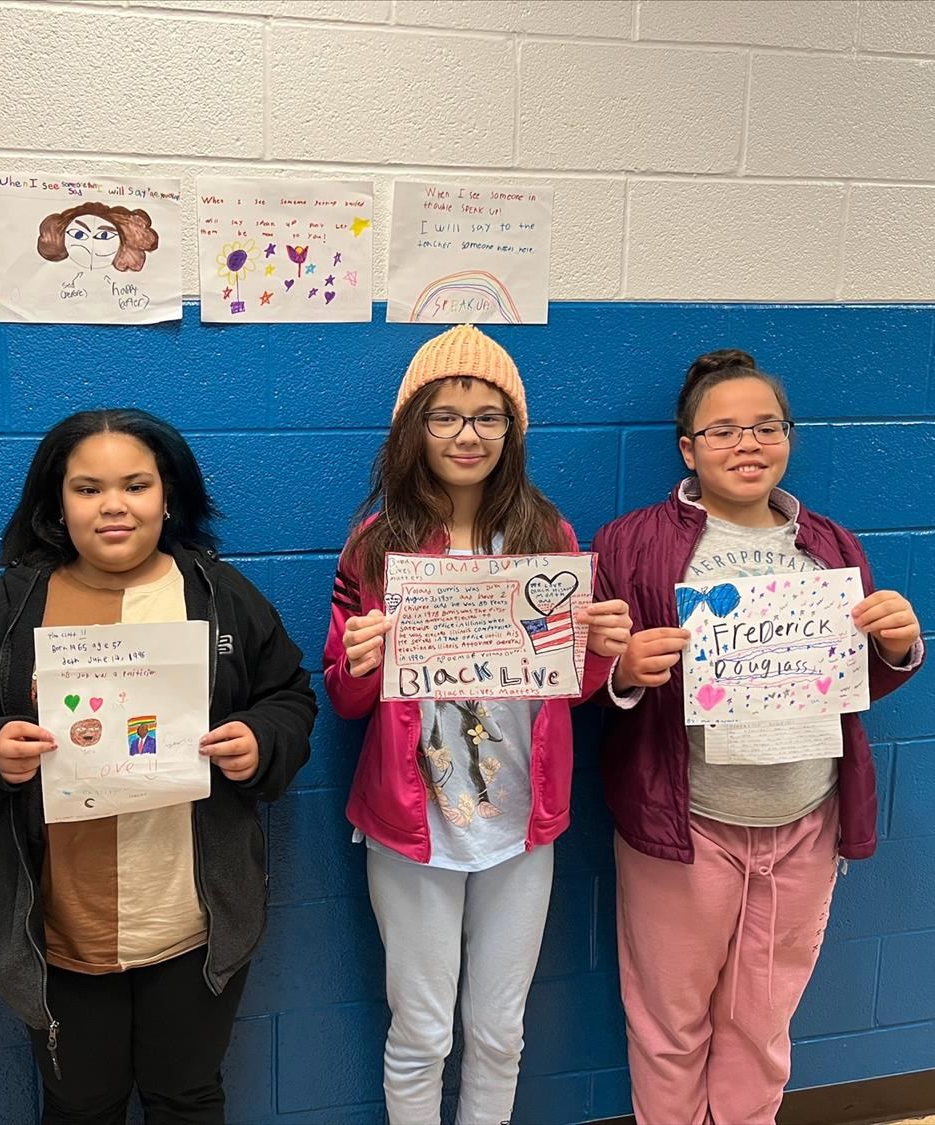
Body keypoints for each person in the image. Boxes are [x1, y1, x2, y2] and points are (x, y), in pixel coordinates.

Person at [0, 408, 316, 1125]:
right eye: (87, 487)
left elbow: (289, 694)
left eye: (135, 484)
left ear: (169, 497)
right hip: (64, 930)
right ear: (55, 502)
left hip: (193, 925)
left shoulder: (220, 596)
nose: (113, 506)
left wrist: (261, 739)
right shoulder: (9, 608)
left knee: (188, 1097)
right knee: (79, 1105)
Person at [594, 348, 925, 1125]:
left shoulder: (831, 545)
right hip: (683, 824)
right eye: (723, 430)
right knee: (669, 1023)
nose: (748, 444)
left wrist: (898, 644)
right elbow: (587, 677)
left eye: (765, 427)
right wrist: (626, 670)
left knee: (762, 1020)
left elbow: (852, 684)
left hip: (804, 819)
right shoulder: (631, 542)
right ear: (688, 448)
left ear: (788, 437)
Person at [322, 324, 634, 1125]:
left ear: (513, 429)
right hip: (412, 819)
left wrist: (599, 652)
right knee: (422, 1031)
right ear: (413, 429)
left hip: (520, 821)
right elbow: (346, 699)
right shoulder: (375, 545)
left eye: (488, 415)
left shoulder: (548, 537)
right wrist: (359, 660)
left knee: (499, 1031)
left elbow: (568, 689)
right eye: (446, 414)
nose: (468, 434)